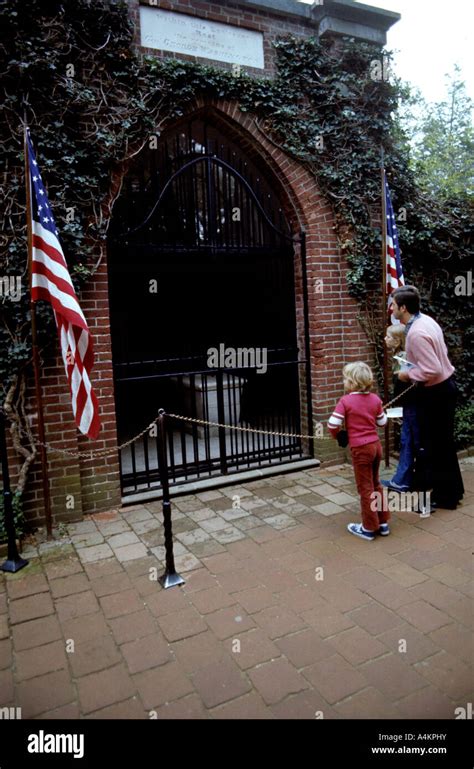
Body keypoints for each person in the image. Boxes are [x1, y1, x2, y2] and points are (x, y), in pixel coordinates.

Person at [391, 285, 464, 509]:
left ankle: (444, 497)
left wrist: (406, 374)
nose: (391, 308)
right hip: (444, 389)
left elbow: (430, 369)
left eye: (393, 304)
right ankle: (452, 492)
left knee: (435, 446)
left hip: (436, 393)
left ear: (403, 307)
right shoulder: (426, 321)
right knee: (443, 445)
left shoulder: (416, 333)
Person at [328, 362, 389, 540]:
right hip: (376, 447)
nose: (343, 382)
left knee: (365, 488)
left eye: (346, 379)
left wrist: (338, 435)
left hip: (361, 449)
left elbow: (332, 424)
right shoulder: (375, 399)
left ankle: (369, 527)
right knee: (376, 483)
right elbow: (382, 423)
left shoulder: (346, 401)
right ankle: (383, 522)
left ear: (353, 383)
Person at [381, 323, 420, 492]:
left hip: (411, 406)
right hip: (409, 405)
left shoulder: (402, 358)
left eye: (388, 336)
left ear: (397, 341)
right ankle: (404, 478)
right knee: (408, 440)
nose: (385, 339)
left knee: (407, 440)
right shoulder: (402, 355)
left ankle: (402, 480)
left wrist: (396, 405)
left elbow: (404, 385)